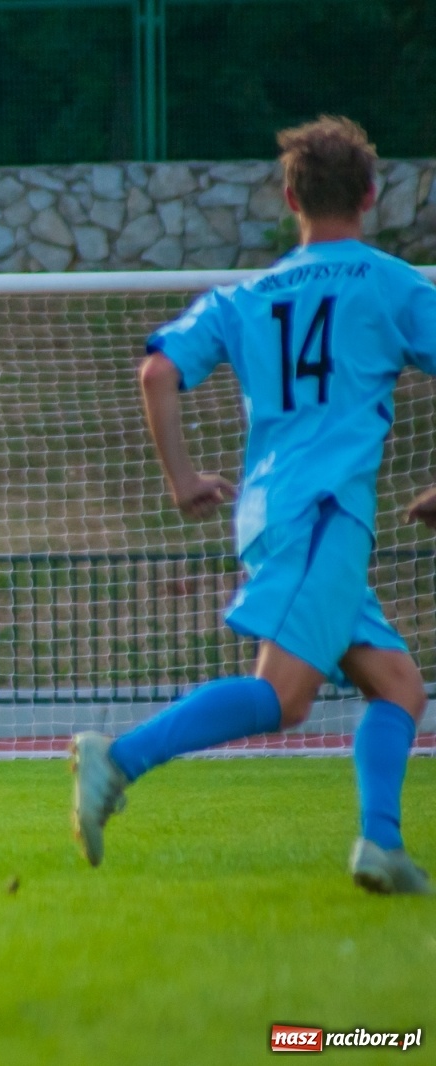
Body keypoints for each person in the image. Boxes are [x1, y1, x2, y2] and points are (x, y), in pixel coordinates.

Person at [71, 117, 433, 894]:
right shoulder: (392, 284)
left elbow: (157, 374)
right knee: (284, 696)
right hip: (327, 515)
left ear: (289, 196)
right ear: (371, 195)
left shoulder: (246, 296)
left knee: (399, 685)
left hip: (272, 514)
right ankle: (119, 759)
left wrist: (181, 480)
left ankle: (381, 845)